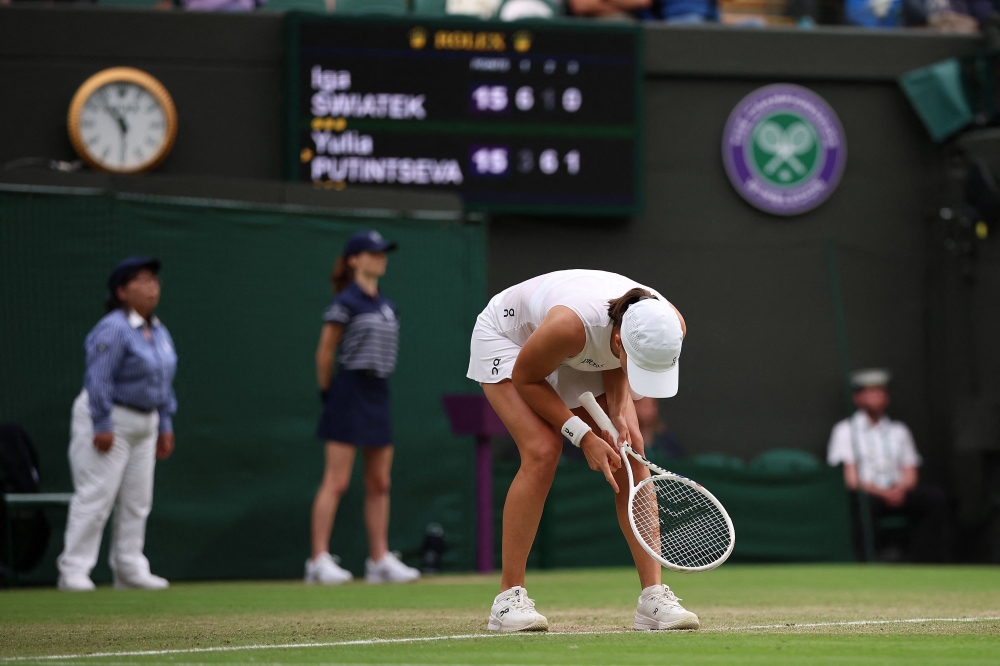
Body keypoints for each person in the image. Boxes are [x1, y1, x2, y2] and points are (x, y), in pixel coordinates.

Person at [467, 269, 698, 632]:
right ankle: (508, 599)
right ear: (620, 340)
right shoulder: (570, 327)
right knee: (543, 450)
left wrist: (619, 415)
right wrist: (583, 435)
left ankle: (653, 598)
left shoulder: (669, 324)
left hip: (589, 346)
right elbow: (528, 378)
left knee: (631, 449)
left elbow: (619, 364)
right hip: (511, 340)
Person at [306, 230, 420, 585]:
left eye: (382, 252)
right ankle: (318, 560)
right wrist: (330, 394)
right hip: (349, 389)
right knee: (337, 480)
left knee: (380, 482)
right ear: (354, 259)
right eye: (372, 252)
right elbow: (324, 354)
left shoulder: (388, 305)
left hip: (378, 392)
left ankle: (379, 559)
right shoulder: (345, 302)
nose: (380, 257)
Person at [57, 257, 177, 592]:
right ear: (122, 291)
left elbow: (164, 382)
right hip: (110, 418)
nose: (152, 285)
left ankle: (129, 568)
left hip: (146, 422)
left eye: (155, 279)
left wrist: (165, 424)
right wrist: (102, 422)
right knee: (96, 496)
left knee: (138, 500)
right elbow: (99, 378)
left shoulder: (160, 330)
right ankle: (74, 570)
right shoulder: (113, 327)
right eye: (142, 279)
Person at [827, 368, 952, 562]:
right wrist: (881, 492)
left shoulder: (899, 431)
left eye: (881, 392)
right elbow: (850, 478)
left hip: (898, 492)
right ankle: (866, 561)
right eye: (871, 393)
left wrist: (899, 490)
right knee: (864, 505)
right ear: (858, 398)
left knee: (935, 498)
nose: (877, 397)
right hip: (869, 495)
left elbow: (910, 471)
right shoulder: (845, 430)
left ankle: (926, 561)